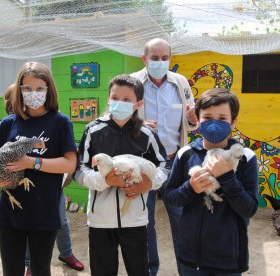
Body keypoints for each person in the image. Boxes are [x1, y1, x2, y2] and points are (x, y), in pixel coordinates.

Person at [0, 61, 78, 276]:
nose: (33, 93)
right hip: (11, 211)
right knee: (11, 271)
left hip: (44, 211)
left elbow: (69, 164)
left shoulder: (60, 122)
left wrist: (33, 163)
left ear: (49, 90)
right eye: (27, 88)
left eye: (39, 88)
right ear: (19, 91)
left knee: (40, 270)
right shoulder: (8, 124)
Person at [75, 74, 168, 276]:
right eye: (115, 98)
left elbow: (164, 165)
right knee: (102, 271)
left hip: (135, 219)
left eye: (127, 100)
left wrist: (148, 183)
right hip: (100, 220)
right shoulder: (93, 130)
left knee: (139, 270)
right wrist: (103, 180)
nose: (119, 103)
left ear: (138, 103)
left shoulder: (147, 134)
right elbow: (79, 169)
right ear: (108, 98)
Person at [163, 88, 259, 275]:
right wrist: (190, 188)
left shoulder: (245, 157)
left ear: (233, 122)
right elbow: (170, 197)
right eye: (207, 118)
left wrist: (227, 177)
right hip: (190, 257)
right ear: (197, 120)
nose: (214, 124)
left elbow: (250, 209)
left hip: (229, 258)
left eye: (222, 119)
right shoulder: (185, 154)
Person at [131, 38, 198, 275]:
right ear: (144, 58)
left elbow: (191, 124)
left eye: (164, 58)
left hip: (174, 162)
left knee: (181, 220)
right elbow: (114, 119)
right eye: (154, 58)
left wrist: (193, 121)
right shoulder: (131, 83)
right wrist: (135, 124)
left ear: (170, 58)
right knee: (144, 221)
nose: (160, 62)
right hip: (144, 164)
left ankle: (187, 270)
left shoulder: (180, 83)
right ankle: (150, 269)